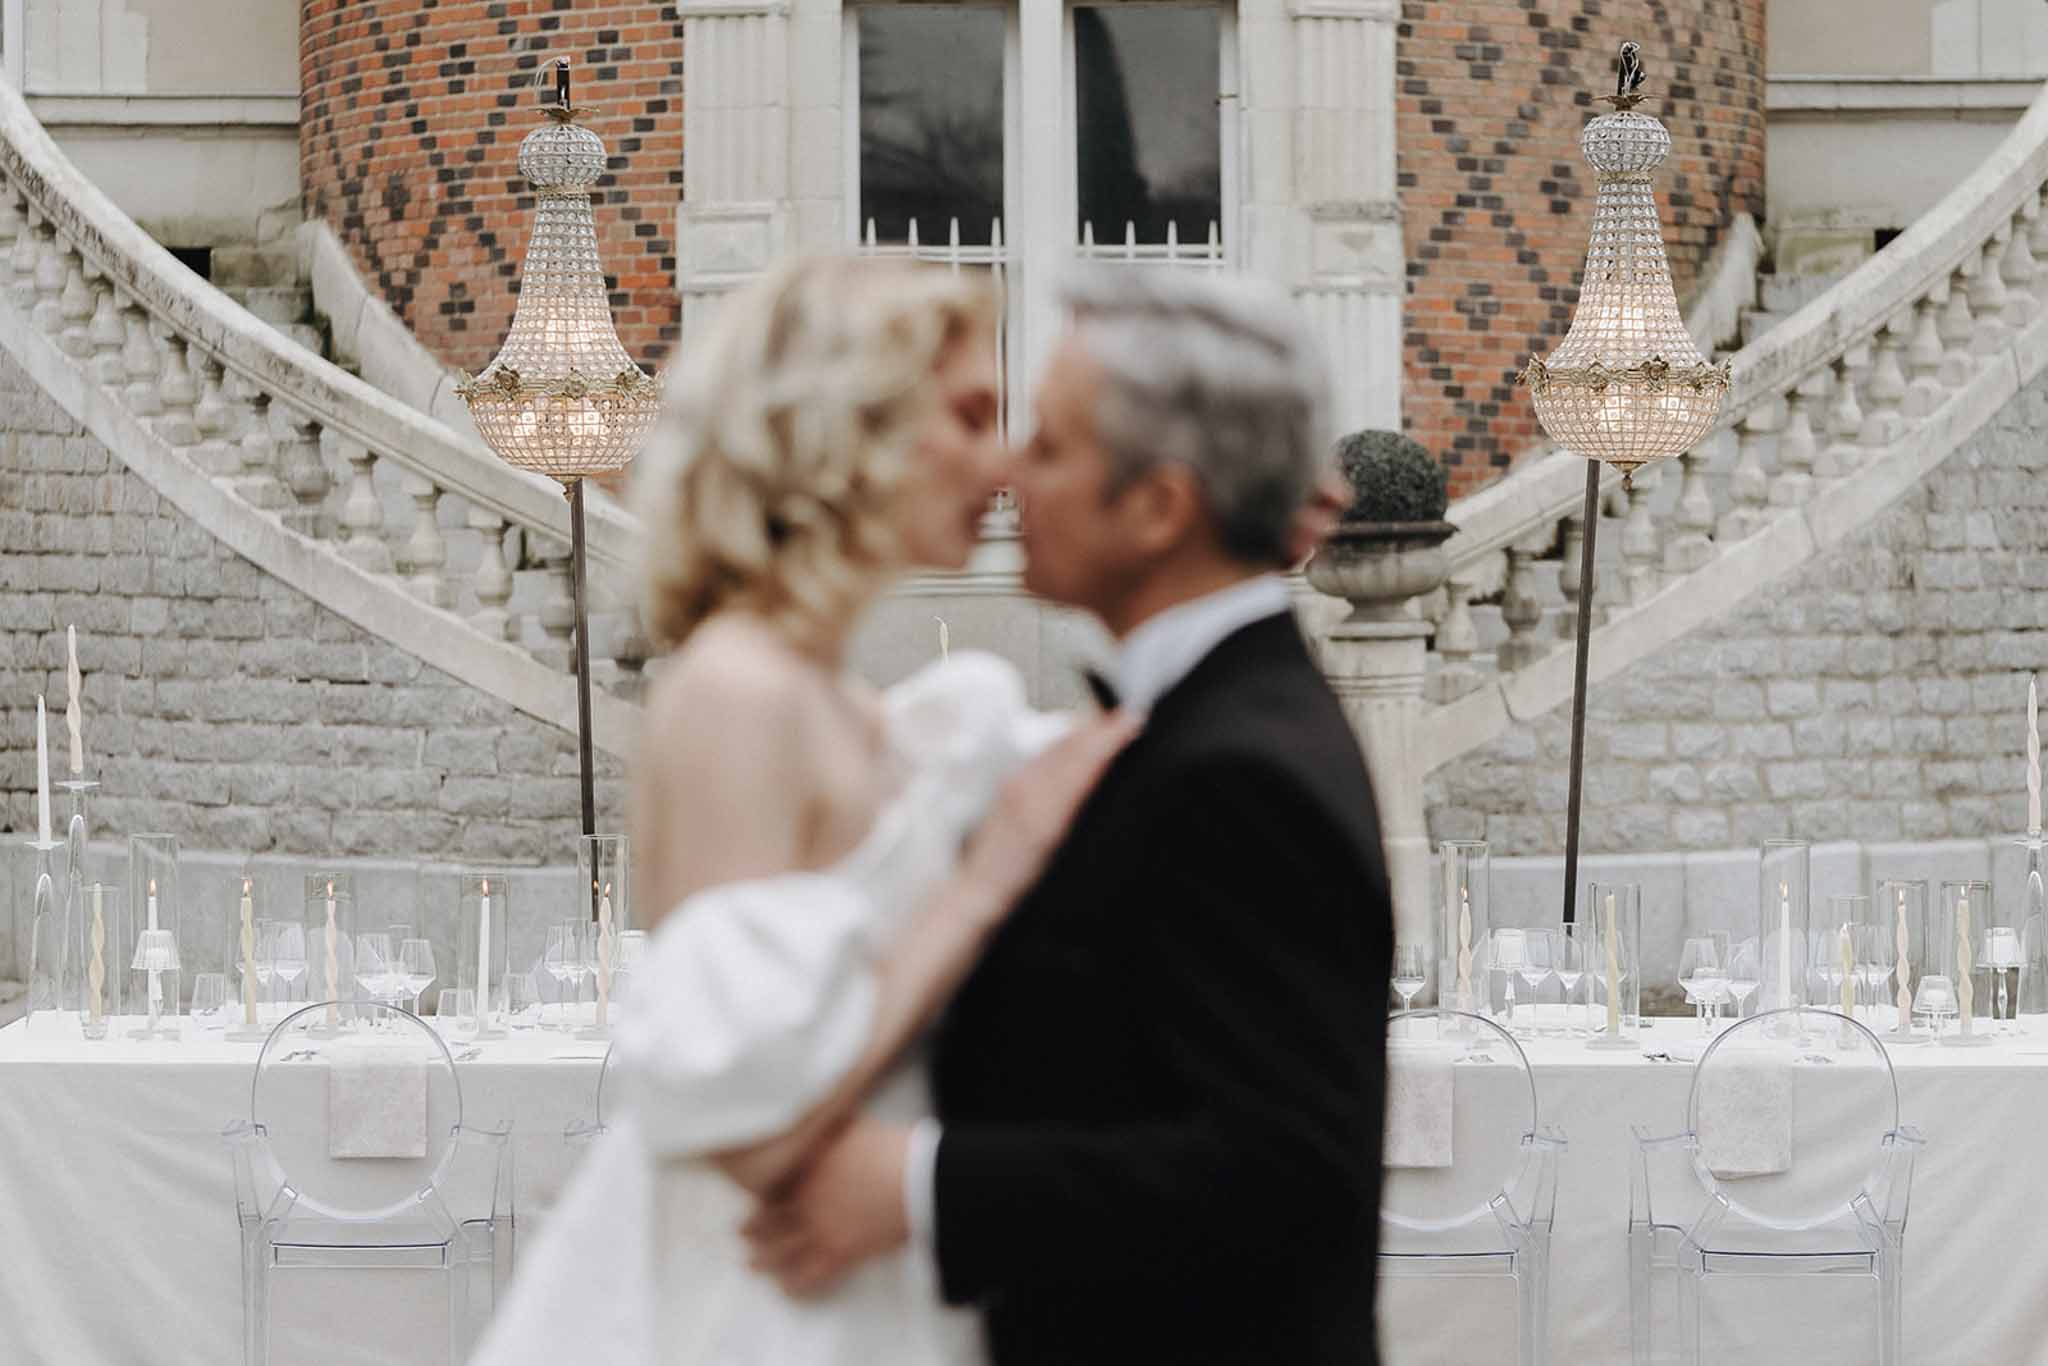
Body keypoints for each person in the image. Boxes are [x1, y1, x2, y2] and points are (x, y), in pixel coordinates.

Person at [472, 255, 1137, 1366]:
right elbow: (737, 1113)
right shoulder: (736, 692)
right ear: (846, 429)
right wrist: (980, 883)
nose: (1004, 459)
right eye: (970, 416)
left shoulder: (850, 705)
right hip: (759, 1307)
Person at [741, 268, 1395, 1366]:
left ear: (1155, 507)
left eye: (1046, 446)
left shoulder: (1244, 768)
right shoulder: (1191, 725)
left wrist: (918, 1187)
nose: (1006, 474)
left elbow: (1288, 1173)